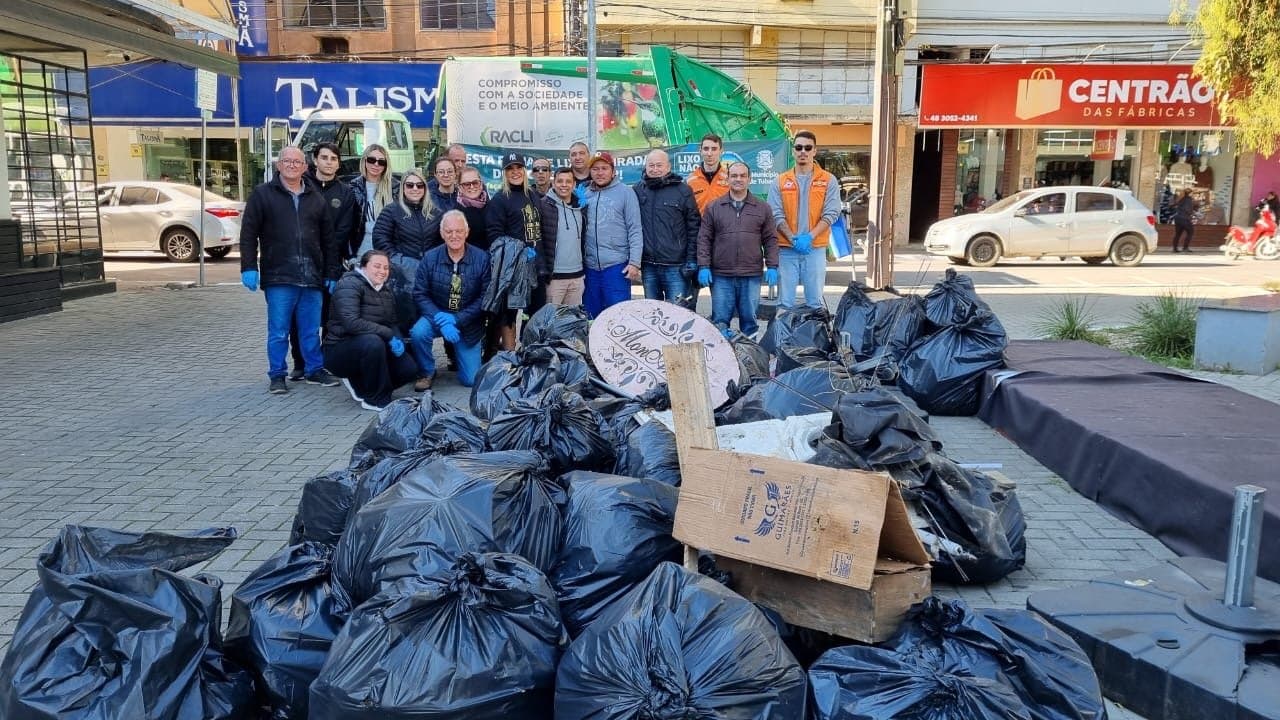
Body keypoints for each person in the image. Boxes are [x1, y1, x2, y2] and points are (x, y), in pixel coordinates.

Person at [239, 146, 341, 394]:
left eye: (297, 162)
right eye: (287, 161)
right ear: (278, 165)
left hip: (311, 277)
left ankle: (314, 370)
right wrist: (249, 267)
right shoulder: (263, 195)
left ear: (305, 167)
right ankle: (277, 375)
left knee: (309, 330)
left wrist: (331, 272)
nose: (292, 165)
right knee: (278, 331)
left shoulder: (315, 198)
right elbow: (249, 234)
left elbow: (328, 239)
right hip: (279, 276)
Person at [286, 141, 357, 381]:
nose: (328, 162)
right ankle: (299, 362)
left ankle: (322, 363)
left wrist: (332, 266)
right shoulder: (301, 186)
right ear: (315, 160)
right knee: (299, 317)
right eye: (324, 157)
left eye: (333, 158)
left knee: (328, 317)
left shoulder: (345, 193)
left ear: (338, 163)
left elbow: (344, 230)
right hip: (300, 263)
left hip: (330, 264)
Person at [323, 250, 417, 411]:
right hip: (340, 347)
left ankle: (364, 384)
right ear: (364, 267)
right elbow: (351, 323)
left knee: (409, 369)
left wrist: (397, 338)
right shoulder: (349, 284)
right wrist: (387, 334)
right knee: (372, 342)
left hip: (373, 344)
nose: (382, 271)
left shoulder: (385, 290)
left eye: (386, 268)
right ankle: (374, 399)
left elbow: (391, 322)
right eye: (377, 266)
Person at [373, 167, 441, 389]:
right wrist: (401, 261)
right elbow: (380, 239)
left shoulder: (435, 213)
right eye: (409, 185)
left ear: (425, 188)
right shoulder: (392, 211)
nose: (414, 189)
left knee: (423, 322)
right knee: (404, 322)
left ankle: (424, 369)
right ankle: (407, 368)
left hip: (429, 277)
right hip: (400, 280)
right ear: (402, 188)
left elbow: (445, 242)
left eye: (419, 185)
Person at [410, 210, 490, 388]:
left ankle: (463, 355)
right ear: (442, 233)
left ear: (467, 232)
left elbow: (485, 297)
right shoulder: (430, 258)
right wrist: (441, 318)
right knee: (418, 332)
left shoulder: (482, 259)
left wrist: (456, 318)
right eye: (449, 231)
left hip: (467, 321)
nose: (454, 236)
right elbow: (420, 293)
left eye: (459, 231)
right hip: (436, 315)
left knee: (471, 380)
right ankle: (427, 372)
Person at [697, 161, 778, 337]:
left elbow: (770, 239)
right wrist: (703, 266)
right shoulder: (714, 207)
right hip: (721, 275)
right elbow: (704, 239)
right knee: (720, 321)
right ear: (727, 179)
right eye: (734, 176)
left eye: (742, 176)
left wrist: (772, 266)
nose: (738, 179)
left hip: (751, 275)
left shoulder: (762, 208)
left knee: (749, 321)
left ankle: (749, 359)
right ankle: (722, 360)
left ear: (749, 179)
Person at [767, 130, 840, 310]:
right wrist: (792, 238)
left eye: (808, 148)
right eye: (799, 147)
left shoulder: (828, 180)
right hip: (786, 250)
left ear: (815, 151)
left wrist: (810, 237)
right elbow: (775, 214)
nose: (803, 152)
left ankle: (813, 338)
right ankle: (783, 338)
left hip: (815, 249)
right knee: (785, 303)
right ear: (793, 151)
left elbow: (831, 213)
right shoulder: (780, 181)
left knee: (815, 302)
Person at [485, 151, 544, 349]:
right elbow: (494, 236)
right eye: (510, 168)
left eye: (519, 167)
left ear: (524, 170)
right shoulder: (500, 199)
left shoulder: (533, 195)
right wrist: (518, 252)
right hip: (512, 269)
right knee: (509, 313)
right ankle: (509, 357)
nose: (515, 172)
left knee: (535, 312)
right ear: (504, 173)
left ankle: (530, 353)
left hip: (535, 267)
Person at [634, 149, 699, 305]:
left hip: (676, 266)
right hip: (649, 266)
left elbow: (694, 226)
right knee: (653, 314)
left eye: (659, 165)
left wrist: (691, 259)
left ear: (668, 167)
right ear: (645, 167)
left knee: (679, 313)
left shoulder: (683, 190)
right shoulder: (638, 190)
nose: (655, 169)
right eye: (651, 165)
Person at [583, 151, 643, 317]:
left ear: (613, 171)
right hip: (590, 267)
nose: (600, 172)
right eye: (595, 169)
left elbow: (635, 228)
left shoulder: (626, 193)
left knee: (618, 316)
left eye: (604, 168)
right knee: (591, 316)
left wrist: (634, 262)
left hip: (617, 266)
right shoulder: (585, 195)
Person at [539, 166, 586, 306]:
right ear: (553, 183)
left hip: (577, 276)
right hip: (554, 279)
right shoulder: (544, 205)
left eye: (568, 181)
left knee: (571, 323)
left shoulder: (582, 207)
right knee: (550, 324)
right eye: (560, 181)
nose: (564, 185)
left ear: (574, 184)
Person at [348, 144, 396, 260]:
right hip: (361, 250)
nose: (376, 164)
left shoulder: (395, 188)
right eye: (371, 160)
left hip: (388, 250)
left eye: (381, 162)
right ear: (364, 161)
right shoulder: (353, 188)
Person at [686, 132, 730, 214]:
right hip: (700, 226)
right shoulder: (690, 180)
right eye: (706, 149)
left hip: (725, 226)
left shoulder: (731, 178)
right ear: (700, 151)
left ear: (721, 151)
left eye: (714, 149)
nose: (709, 153)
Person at [454, 165, 491, 251]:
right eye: (466, 184)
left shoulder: (493, 206)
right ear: (459, 187)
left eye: (475, 182)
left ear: (481, 184)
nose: (471, 187)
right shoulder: (455, 213)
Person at [1171, 188, 1196, 253]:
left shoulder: (1181, 199)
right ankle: (1185, 247)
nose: (1193, 194)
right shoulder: (1188, 200)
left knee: (1178, 234)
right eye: (1192, 193)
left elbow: (1175, 206)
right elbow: (1188, 209)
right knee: (1190, 232)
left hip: (1178, 218)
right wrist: (1191, 213)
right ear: (1190, 193)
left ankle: (1175, 248)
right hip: (1185, 219)